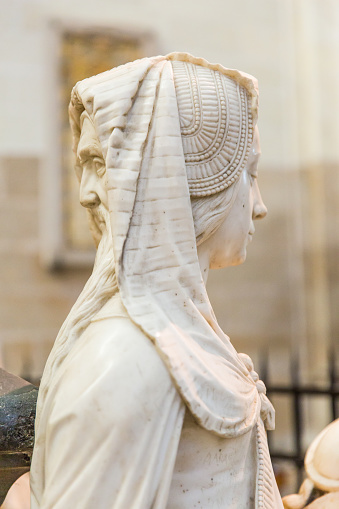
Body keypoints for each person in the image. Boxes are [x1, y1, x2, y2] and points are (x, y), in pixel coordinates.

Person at [30, 52, 283, 508]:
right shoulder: (128, 360)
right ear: (194, 180)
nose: (259, 205)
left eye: (100, 165)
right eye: (249, 174)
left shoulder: (181, 337)